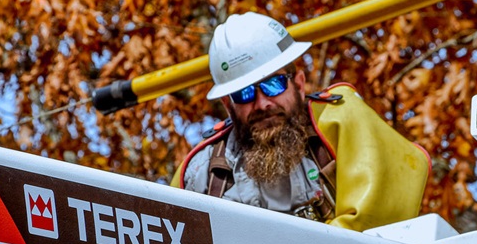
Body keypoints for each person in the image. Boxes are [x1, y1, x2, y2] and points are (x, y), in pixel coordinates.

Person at [172, 12, 430, 232]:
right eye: (245, 93)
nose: (262, 103)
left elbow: (380, 230)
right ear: (228, 106)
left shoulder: (341, 121)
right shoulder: (201, 173)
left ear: (299, 84)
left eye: (274, 84)